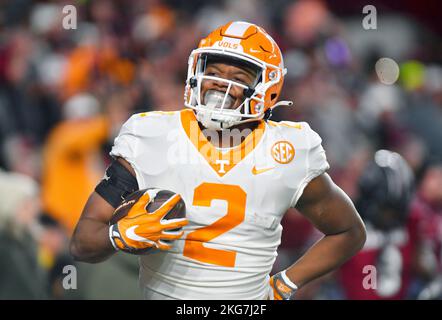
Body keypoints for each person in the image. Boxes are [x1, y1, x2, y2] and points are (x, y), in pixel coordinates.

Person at [70, 21, 366, 300]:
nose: (219, 84)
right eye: (214, 72)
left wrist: (284, 284)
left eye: (237, 78)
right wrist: (119, 235)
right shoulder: (152, 135)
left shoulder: (287, 150)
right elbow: (82, 242)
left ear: (268, 88)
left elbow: (348, 231)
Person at [338, 150, 415, 299]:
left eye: (396, 212)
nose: (390, 218)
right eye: (386, 210)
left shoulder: (413, 225)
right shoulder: (346, 224)